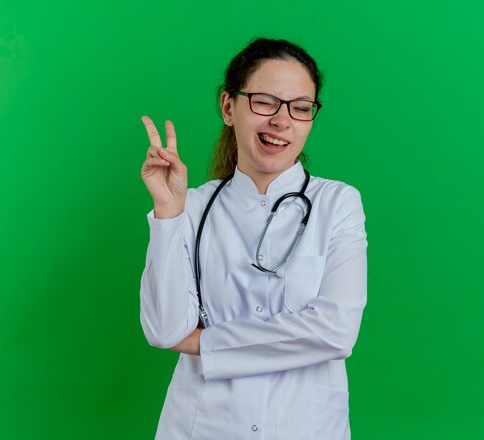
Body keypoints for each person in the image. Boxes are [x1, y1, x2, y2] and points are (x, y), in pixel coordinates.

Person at [139, 38, 367, 440]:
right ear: (229, 108)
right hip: (203, 426)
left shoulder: (337, 203)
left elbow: (335, 331)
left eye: (300, 108)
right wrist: (168, 214)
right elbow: (164, 329)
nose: (282, 121)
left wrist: (205, 344)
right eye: (265, 102)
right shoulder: (190, 207)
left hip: (305, 428)